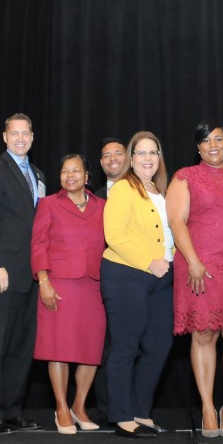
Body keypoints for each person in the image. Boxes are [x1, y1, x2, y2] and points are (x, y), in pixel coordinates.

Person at [167, 120, 223, 438]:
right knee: (204, 336)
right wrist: (192, 261)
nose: (213, 144)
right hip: (198, 268)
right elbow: (177, 223)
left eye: (219, 138)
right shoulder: (185, 177)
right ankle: (208, 408)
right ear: (198, 148)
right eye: (206, 141)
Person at [0, 113, 46, 435]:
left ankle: (13, 409)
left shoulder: (38, 174)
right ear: (4, 137)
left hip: (31, 275)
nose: (20, 138)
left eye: (26, 133)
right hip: (3, 274)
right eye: (14, 133)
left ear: (32, 137)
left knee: (21, 346)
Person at [101, 131, 175, 438]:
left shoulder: (162, 192)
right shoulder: (122, 188)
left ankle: (141, 412)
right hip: (126, 275)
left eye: (152, 153)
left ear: (159, 158)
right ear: (132, 159)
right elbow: (114, 235)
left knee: (158, 347)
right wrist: (150, 261)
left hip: (161, 279)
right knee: (125, 347)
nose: (147, 158)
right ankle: (120, 415)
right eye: (141, 153)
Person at [32, 154, 107, 435]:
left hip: (95, 285)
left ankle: (79, 406)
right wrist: (44, 281)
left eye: (76, 171)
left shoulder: (103, 206)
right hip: (59, 285)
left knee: (90, 350)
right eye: (65, 171)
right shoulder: (48, 204)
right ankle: (61, 408)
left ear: (87, 176)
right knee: (59, 348)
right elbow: (38, 245)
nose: (70, 175)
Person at [91, 136, 126, 423]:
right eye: (106, 155)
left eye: (118, 153)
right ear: (101, 163)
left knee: (134, 347)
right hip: (102, 279)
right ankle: (105, 410)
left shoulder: (147, 192)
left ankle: (134, 409)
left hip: (140, 278)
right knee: (104, 346)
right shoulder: (94, 197)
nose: (112, 158)